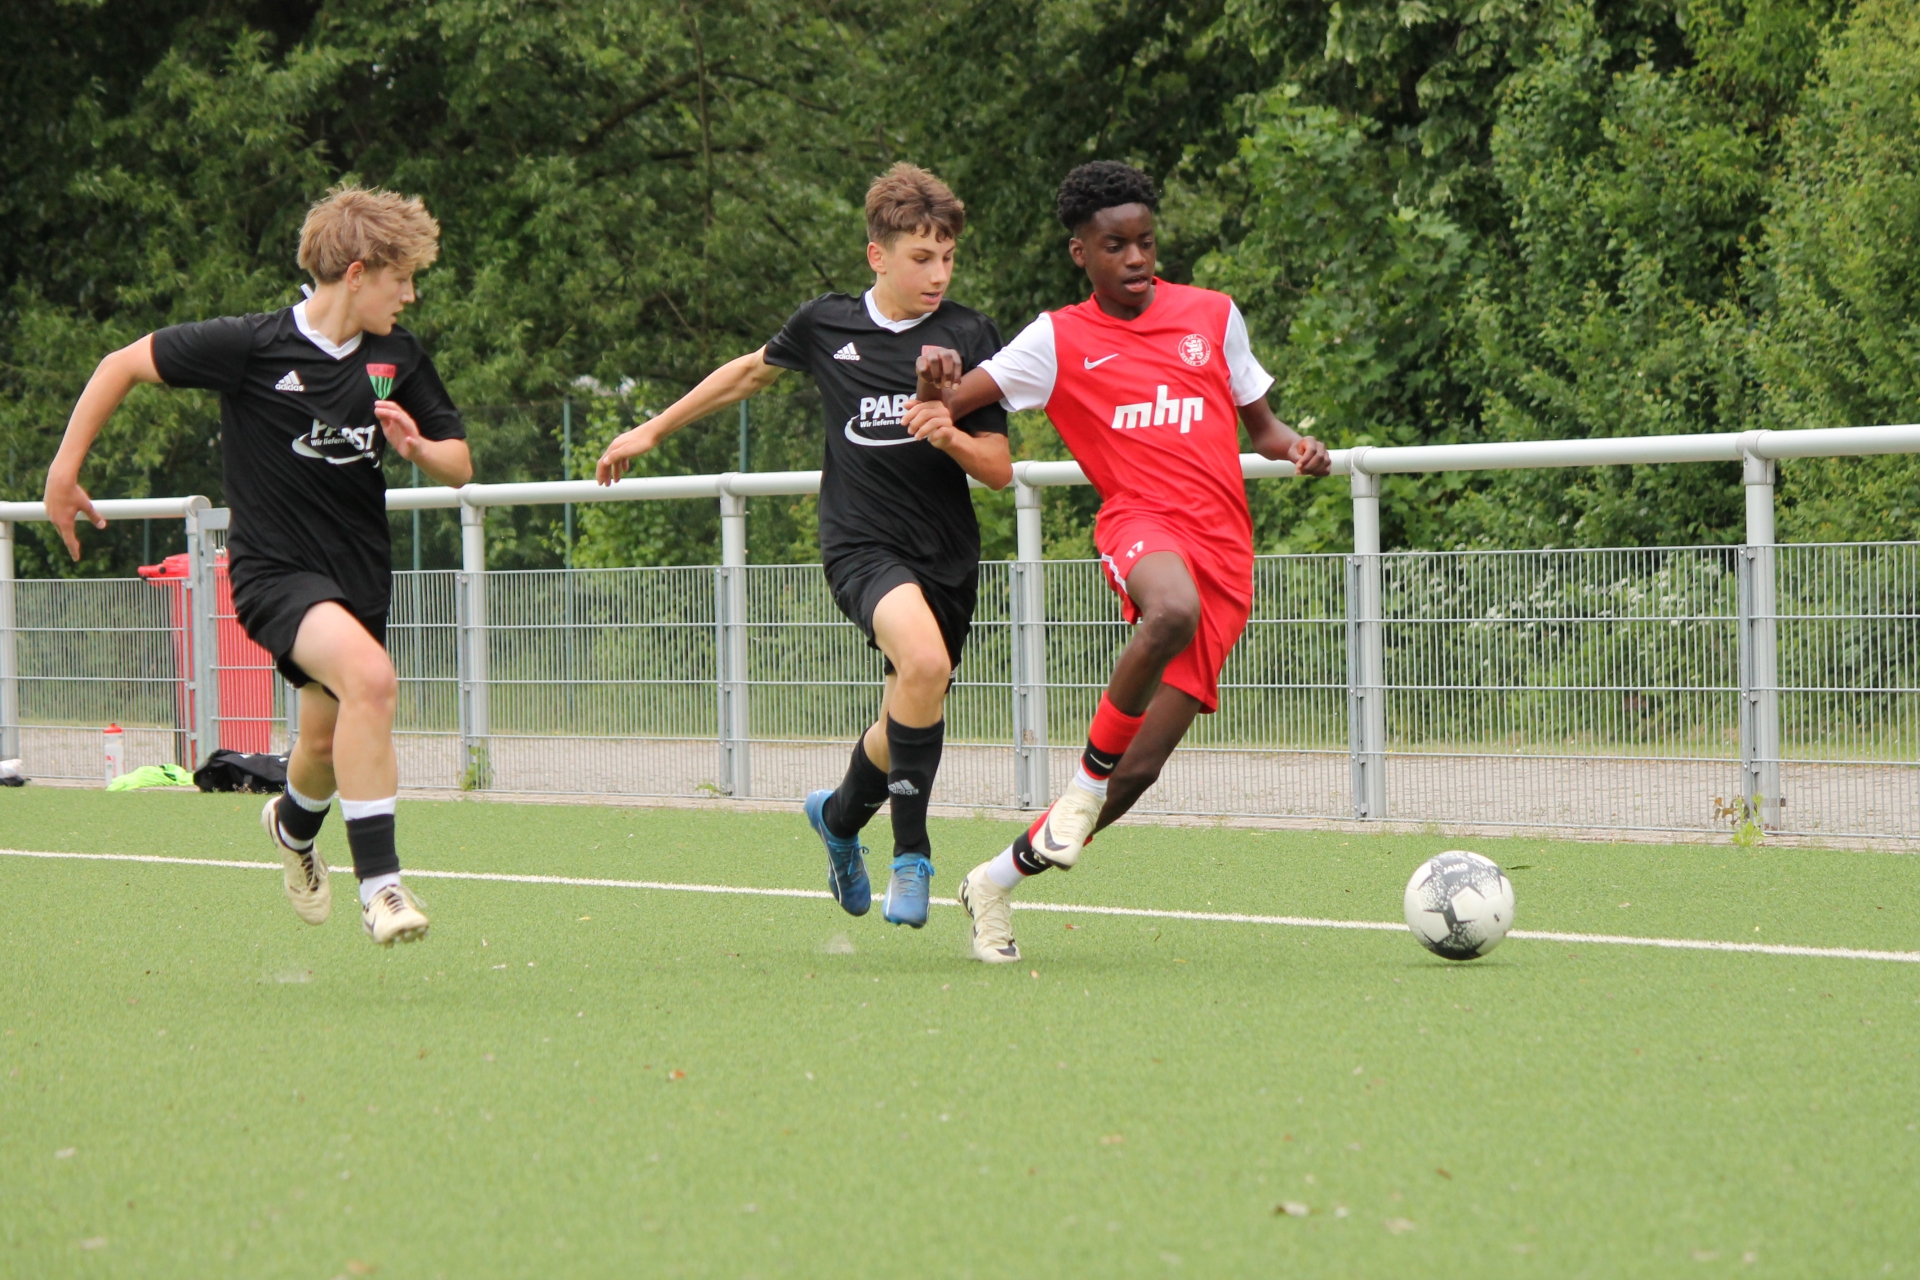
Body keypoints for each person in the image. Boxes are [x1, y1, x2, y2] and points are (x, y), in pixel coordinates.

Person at [903, 161, 1333, 962]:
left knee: (1139, 773)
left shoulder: (1213, 315)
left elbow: (1265, 429)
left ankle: (993, 881)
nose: (1136, 258)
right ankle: (1085, 780)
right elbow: (940, 404)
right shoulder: (1056, 339)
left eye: (1146, 242)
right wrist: (932, 380)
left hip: (1225, 553)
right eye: (1115, 246)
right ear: (1081, 253)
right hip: (1140, 521)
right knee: (1169, 611)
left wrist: (1298, 448)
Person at [44, 185, 472, 946]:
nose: (409, 295)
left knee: (322, 748)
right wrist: (63, 472)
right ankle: (382, 889)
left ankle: (292, 827)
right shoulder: (252, 345)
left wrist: (415, 448)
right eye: (401, 278)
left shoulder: (398, 356)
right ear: (356, 273)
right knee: (373, 681)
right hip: (274, 575)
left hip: (359, 578)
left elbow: (460, 465)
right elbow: (121, 364)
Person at [596, 163, 1011, 928]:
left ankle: (838, 818)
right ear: (877, 256)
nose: (938, 274)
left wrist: (949, 433)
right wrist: (651, 429)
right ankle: (912, 857)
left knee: (907, 709)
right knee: (924, 666)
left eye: (949, 257)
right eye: (922, 257)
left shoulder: (969, 335)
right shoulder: (827, 325)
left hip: (947, 553)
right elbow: (748, 374)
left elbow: (998, 469)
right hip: (861, 545)